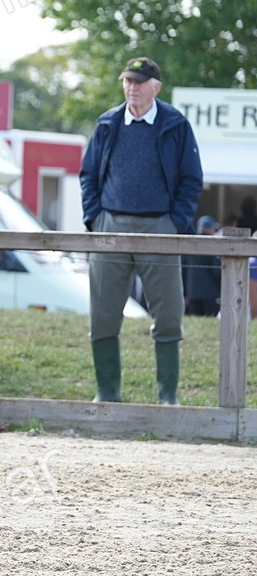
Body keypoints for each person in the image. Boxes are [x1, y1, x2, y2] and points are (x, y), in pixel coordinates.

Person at [80, 57, 203, 405]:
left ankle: (168, 397)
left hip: (160, 226)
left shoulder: (176, 125)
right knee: (103, 312)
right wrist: (94, 218)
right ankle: (107, 394)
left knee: (168, 314)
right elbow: (88, 175)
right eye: (127, 81)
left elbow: (192, 179)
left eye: (139, 82)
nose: (132, 87)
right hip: (111, 226)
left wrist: (176, 222)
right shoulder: (107, 123)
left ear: (155, 87)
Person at [182, 215, 221, 317]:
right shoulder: (213, 245)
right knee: (211, 325)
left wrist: (185, 293)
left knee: (195, 325)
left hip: (192, 294)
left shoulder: (189, 245)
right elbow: (217, 271)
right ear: (209, 228)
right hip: (211, 294)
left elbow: (183, 271)